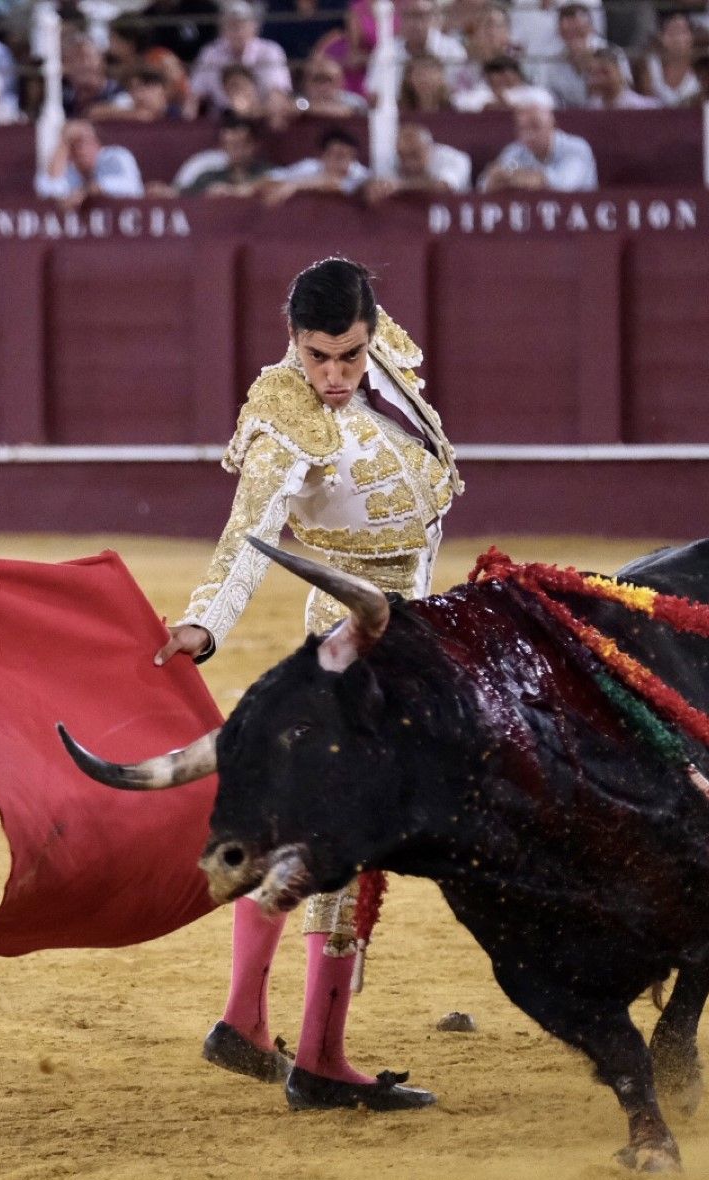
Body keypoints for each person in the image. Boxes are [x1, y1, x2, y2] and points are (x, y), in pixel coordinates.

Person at [156, 257, 458, 1113]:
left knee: (310, 824)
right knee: (349, 837)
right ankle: (322, 1057)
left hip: (412, 623)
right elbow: (247, 533)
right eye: (317, 356)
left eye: (348, 357)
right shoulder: (282, 419)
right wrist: (204, 623)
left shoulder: (381, 357)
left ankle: (245, 1019)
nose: (332, 377)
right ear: (292, 341)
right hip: (349, 644)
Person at [481, 91, 598, 190]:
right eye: (522, 128)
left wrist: (524, 178)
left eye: (535, 126)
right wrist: (495, 178)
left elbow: (564, 185)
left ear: (552, 123)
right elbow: (484, 184)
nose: (528, 134)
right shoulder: (516, 150)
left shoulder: (577, 147)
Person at [191, 1, 293, 114]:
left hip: (260, 115)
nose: (237, 31)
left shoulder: (270, 51)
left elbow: (278, 92)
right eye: (232, 25)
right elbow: (196, 94)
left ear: (254, 26)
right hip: (220, 118)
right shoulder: (210, 53)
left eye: (242, 24)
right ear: (222, 29)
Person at [36, 119, 144, 201]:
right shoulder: (71, 168)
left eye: (85, 142)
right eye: (73, 144)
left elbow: (131, 186)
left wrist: (87, 192)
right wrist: (64, 143)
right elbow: (47, 191)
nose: (80, 149)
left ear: (97, 143)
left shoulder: (114, 155)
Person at [259, 126, 371, 203]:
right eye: (337, 155)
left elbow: (337, 185)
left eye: (348, 156)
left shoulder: (359, 173)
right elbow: (270, 178)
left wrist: (294, 186)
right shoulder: (310, 166)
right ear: (323, 156)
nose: (342, 161)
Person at [364, 122, 472, 200]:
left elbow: (443, 187)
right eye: (403, 156)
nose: (409, 163)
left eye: (414, 155)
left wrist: (400, 186)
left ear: (429, 148)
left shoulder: (456, 159)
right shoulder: (392, 161)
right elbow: (378, 184)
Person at [179, 111, 273, 195]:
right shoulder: (209, 177)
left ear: (253, 145)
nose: (234, 150)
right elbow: (181, 195)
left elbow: (282, 180)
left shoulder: (267, 172)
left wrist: (235, 191)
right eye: (228, 145)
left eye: (240, 144)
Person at [583, 46, 655, 108]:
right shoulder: (591, 107)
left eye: (604, 72)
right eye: (593, 73)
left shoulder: (643, 107)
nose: (598, 78)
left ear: (621, 72)